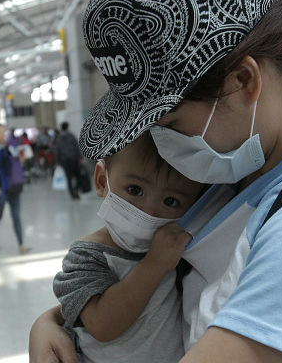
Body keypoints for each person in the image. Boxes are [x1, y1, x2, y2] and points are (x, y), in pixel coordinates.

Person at [30, 0, 282, 362]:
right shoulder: (242, 173)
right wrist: (53, 321)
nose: (162, 147)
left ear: (243, 81)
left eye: (169, 124)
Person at [53, 132, 205, 362]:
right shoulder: (85, 257)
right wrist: (154, 264)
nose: (149, 211)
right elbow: (103, 325)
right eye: (135, 190)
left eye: (170, 201)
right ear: (102, 182)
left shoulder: (178, 254)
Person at [0, 124, 30, 254]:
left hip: (13, 187)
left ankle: (21, 245)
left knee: (16, 216)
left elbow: (15, 164)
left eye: (4, 132)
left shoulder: (10, 148)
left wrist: (21, 159)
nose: (3, 134)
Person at [54, 122, 82, 200]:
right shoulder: (71, 136)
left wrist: (57, 161)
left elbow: (57, 150)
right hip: (74, 159)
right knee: (78, 176)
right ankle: (76, 191)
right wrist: (80, 157)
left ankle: (72, 194)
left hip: (65, 160)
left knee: (68, 178)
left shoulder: (58, 138)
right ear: (67, 127)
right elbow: (76, 147)